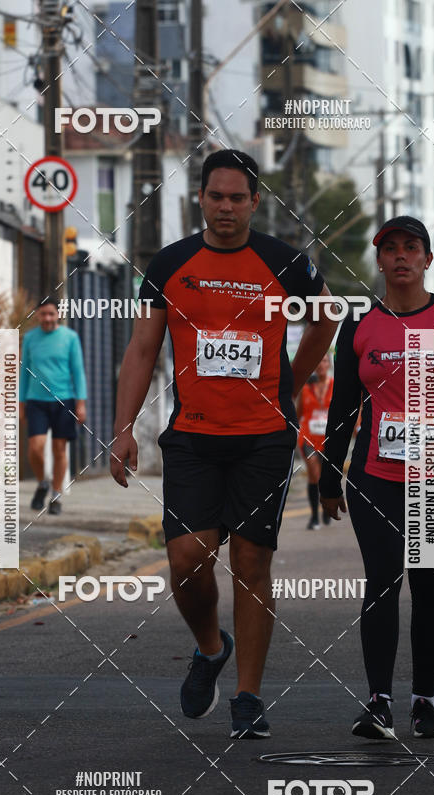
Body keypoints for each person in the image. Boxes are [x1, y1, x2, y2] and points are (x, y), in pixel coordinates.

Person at [110, 149, 336, 738]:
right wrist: (122, 429)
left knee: (253, 561)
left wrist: (287, 380)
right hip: (192, 437)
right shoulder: (170, 264)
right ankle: (211, 649)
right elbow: (141, 350)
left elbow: (326, 317)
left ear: (255, 202)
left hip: (263, 438)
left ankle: (248, 696)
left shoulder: (285, 263)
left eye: (238, 198)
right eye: (217, 196)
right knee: (187, 561)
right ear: (201, 199)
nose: (227, 207)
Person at [319, 216, 434, 740]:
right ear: (380, 261)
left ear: (428, 259)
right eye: (390, 249)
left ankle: (424, 701)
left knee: (428, 586)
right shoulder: (360, 322)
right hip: (375, 477)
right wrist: (326, 474)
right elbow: (344, 403)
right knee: (383, 579)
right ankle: (379, 702)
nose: (401, 257)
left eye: (412, 247)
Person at [19, 299, 87, 515]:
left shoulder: (70, 338)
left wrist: (81, 404)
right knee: (35, 448)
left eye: (51, 314)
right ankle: (42, 483)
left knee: (59, 450)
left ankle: (56, 496)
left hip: (63, 400)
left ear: (58, 315)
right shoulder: (30, 338)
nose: (47, 318)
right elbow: (24, 372)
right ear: (37, 316)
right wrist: (21, 403)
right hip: (36, 401)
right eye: (43, 314)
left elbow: (78, 371)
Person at [296, 354, 333, 529]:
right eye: (318, 361)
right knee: (314, 473)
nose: (321, 364)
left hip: (329, 439)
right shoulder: (306, 388)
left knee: (326, 476)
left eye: (324, 361)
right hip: (308, 437)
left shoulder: (336, 386)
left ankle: (326, 509)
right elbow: (298, 413)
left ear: (329, 364)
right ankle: (314, 517)